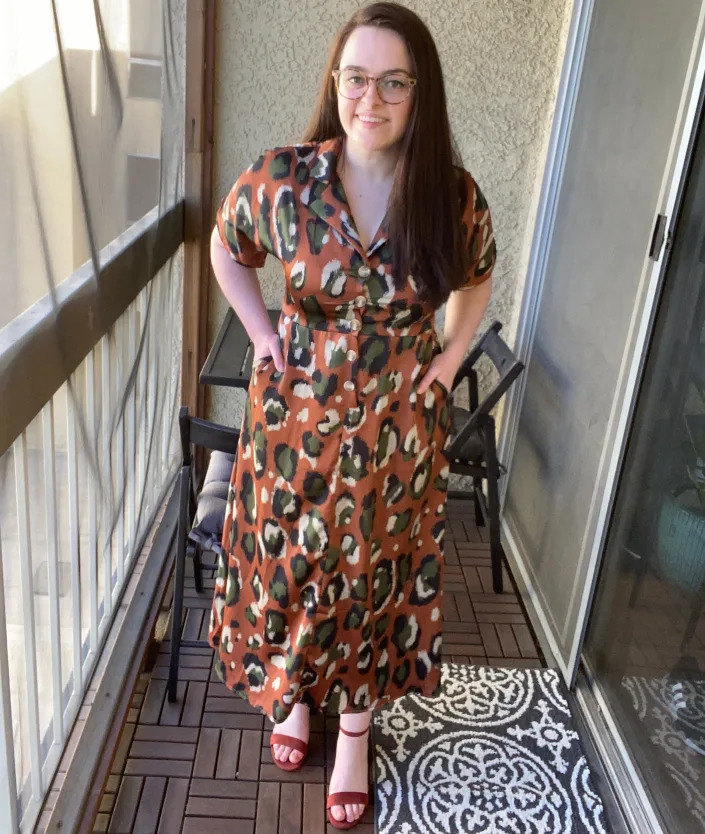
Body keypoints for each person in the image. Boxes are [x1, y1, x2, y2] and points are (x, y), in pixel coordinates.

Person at [208, 2, 495, 828]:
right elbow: (228, 247)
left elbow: (476, 275)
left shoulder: (450, 194)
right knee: (294, 566)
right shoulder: (284, 177)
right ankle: (295, 698)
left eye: (393, 81)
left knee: (374, 578)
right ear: (335, 83)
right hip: (293, 425)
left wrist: (448, 358)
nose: (371, 98)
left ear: (420, 91)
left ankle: (355, 734)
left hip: (397, 433)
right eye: (356, 78)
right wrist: (263, 334)